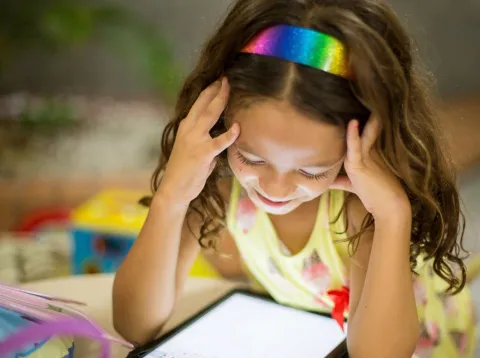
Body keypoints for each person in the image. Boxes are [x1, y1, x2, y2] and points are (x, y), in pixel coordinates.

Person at [112, 0, 476, 356]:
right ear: (220, 122)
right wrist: (171, 196)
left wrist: (394, 214)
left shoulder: (360, 212)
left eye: (310, 170)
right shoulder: (220, 194)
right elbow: (134, 325)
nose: (275, 188)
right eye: (251, 157)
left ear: (366, 144)